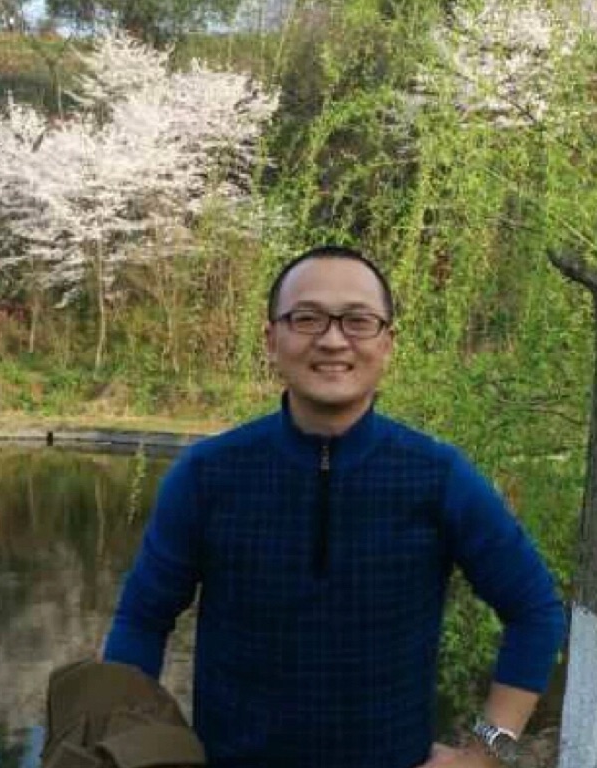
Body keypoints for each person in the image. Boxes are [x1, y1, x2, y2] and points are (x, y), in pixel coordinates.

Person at [103, 246, 566, 768]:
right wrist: (127, 749)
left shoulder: (438, 477)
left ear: (387, 344)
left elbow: (535, 609)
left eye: (358, 321)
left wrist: (485, 753)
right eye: (306, 318)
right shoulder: (206, 475)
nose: (332, 339)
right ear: (271, 340)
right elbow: (142, 620)